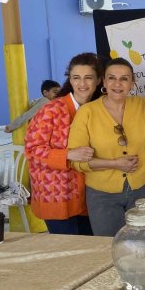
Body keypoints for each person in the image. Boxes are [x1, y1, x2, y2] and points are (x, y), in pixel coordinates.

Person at [68, 58, 145, 236]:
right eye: (112, 78)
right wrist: (114, 164)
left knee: (144, 243)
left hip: (142, 191)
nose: (117, 84)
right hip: (102, 195)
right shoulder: (87, 112)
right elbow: (77, 162)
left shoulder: (144, 106)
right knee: (109, 245)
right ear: (104, 82)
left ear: (132, 82)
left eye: (124, 79)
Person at [24, 56, 101, 234]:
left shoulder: (99, 109)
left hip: (90, 194)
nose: (82, 83)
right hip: (56, 196)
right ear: (70, 80)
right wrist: (68, 154)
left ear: (98, 80)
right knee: (67, 249)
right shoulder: (51, 110)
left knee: (91, 248)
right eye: (76, 77)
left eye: (88, 77)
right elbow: (32, 150)